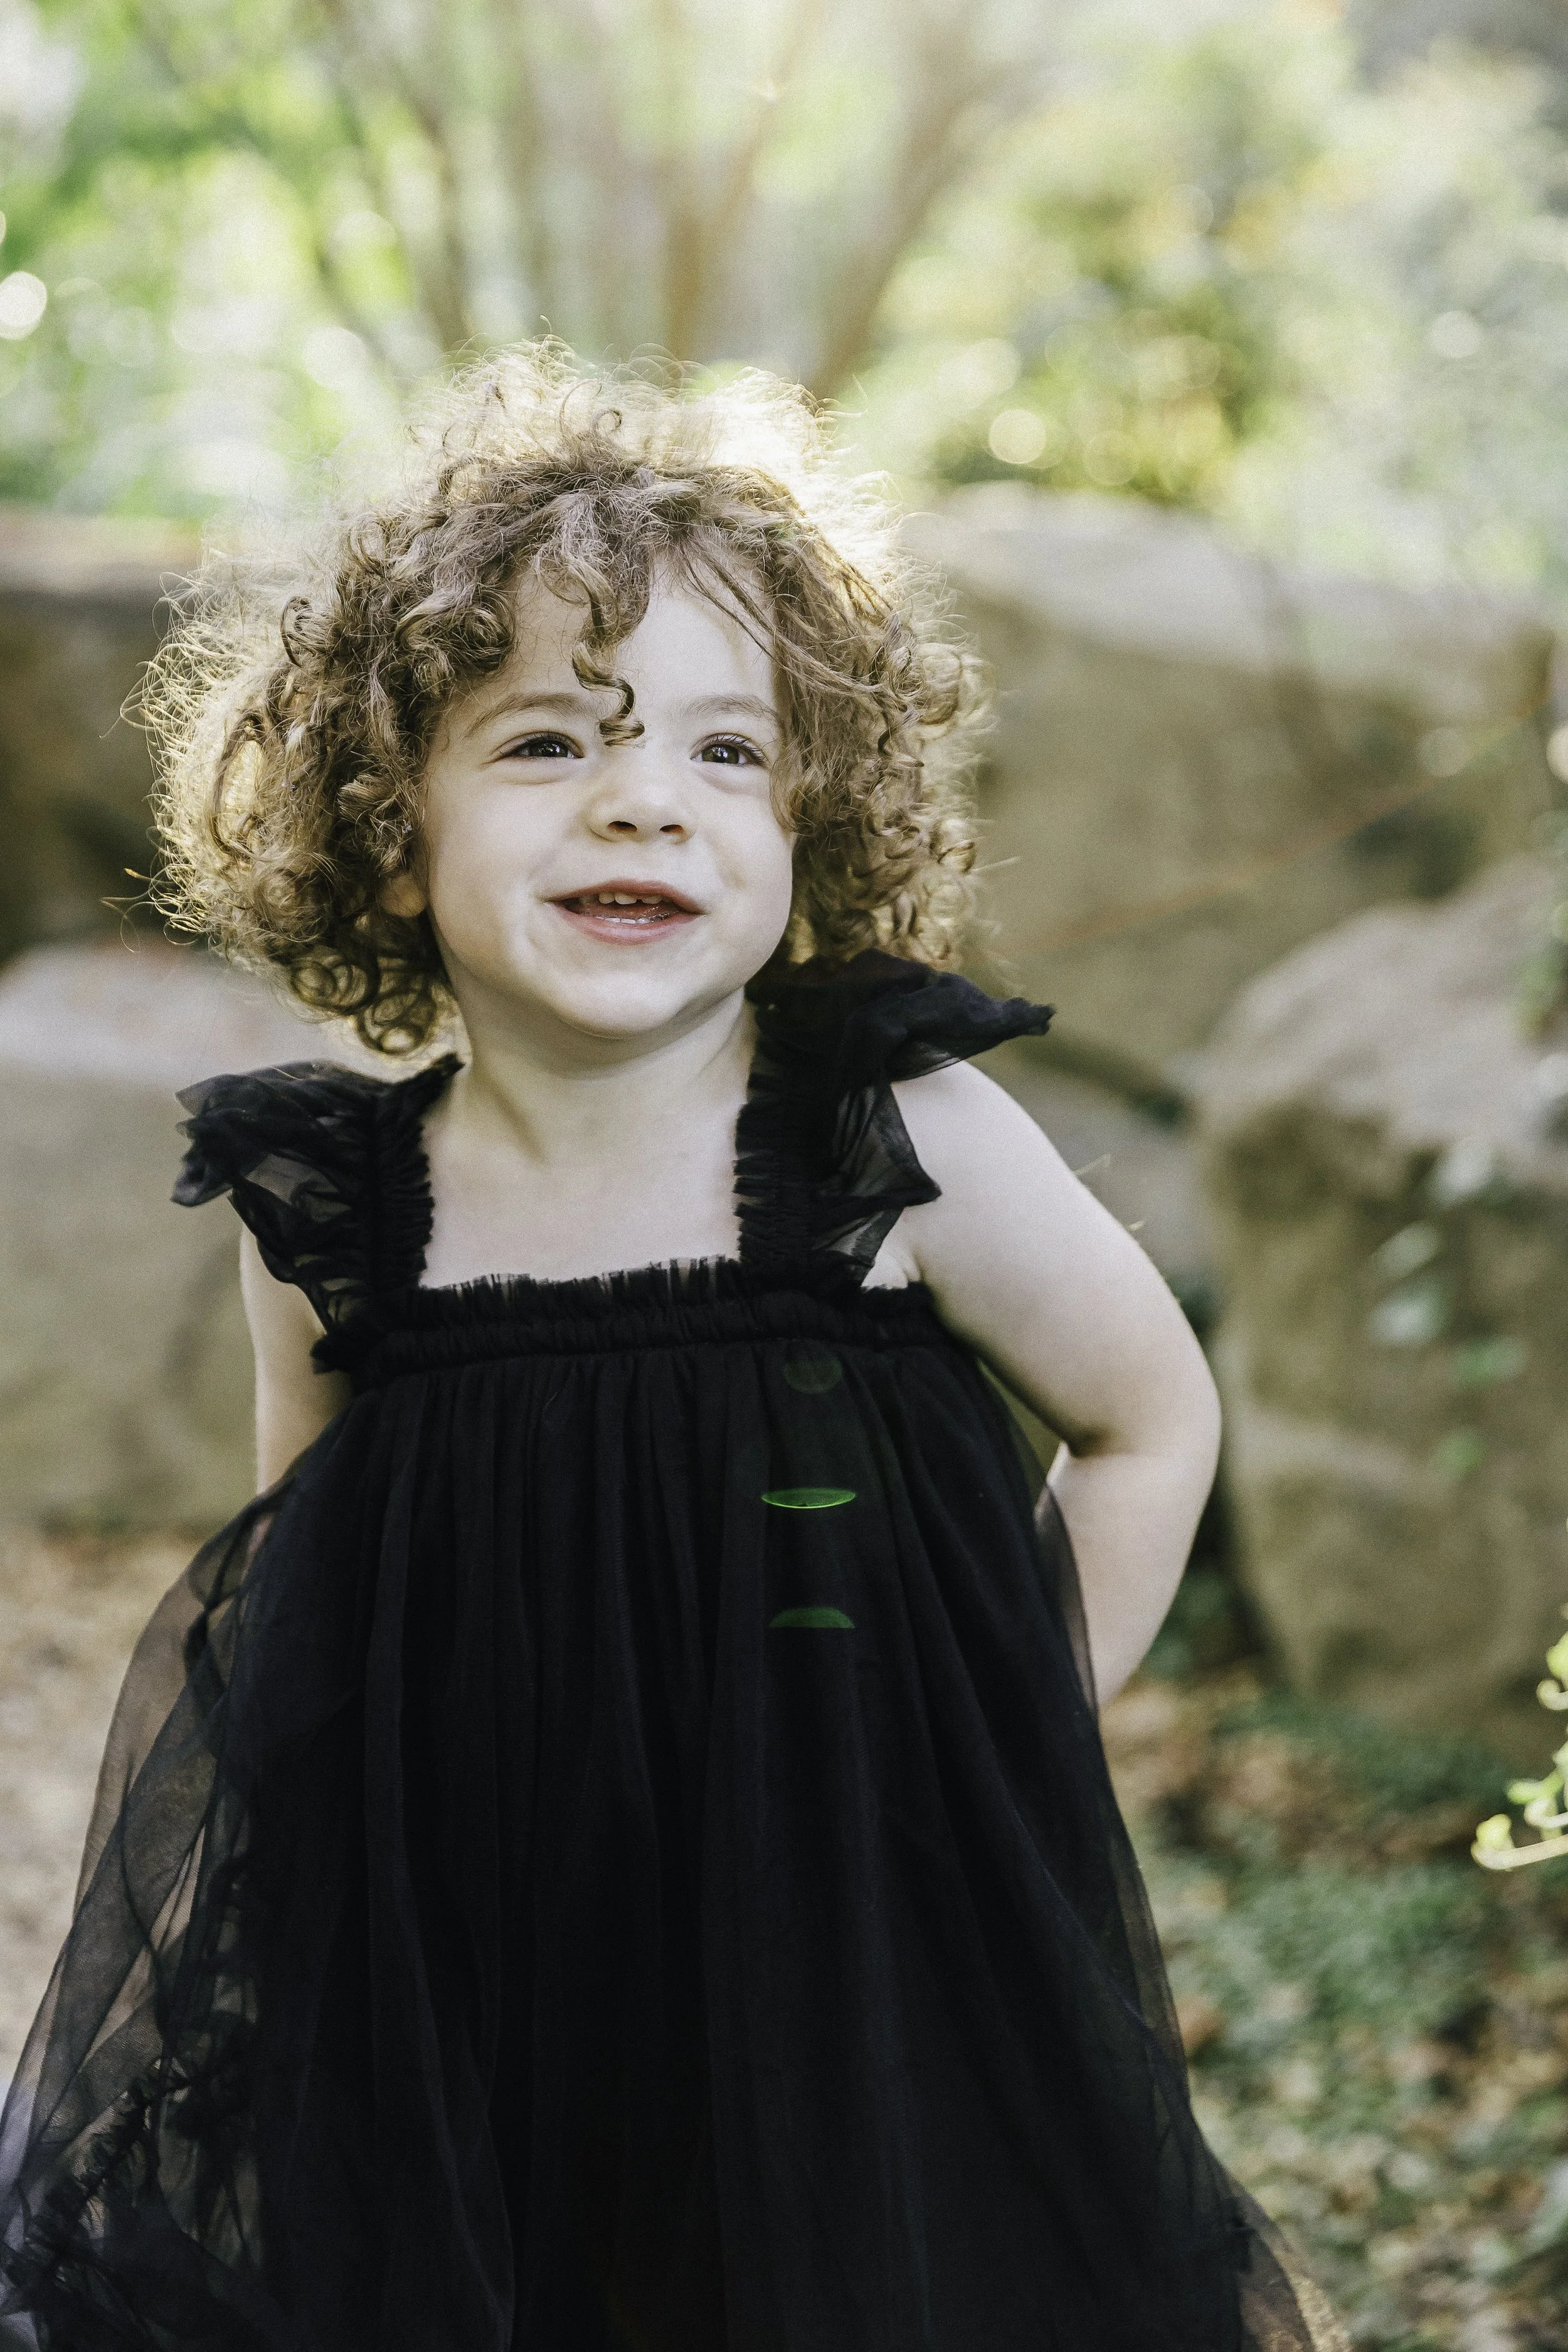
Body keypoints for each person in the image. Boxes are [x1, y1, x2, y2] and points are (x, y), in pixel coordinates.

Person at [0, 347, 1343, 2351]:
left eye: (728, 754)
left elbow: (1149, 1415)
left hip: (850, 1951)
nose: (646, 792)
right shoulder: (347, 1213)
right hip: (481, 1963)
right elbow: (311, 1568)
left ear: (811, 823)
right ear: (388, 829)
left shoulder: (885, 1141)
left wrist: (1000, 1727)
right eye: (547, 741)